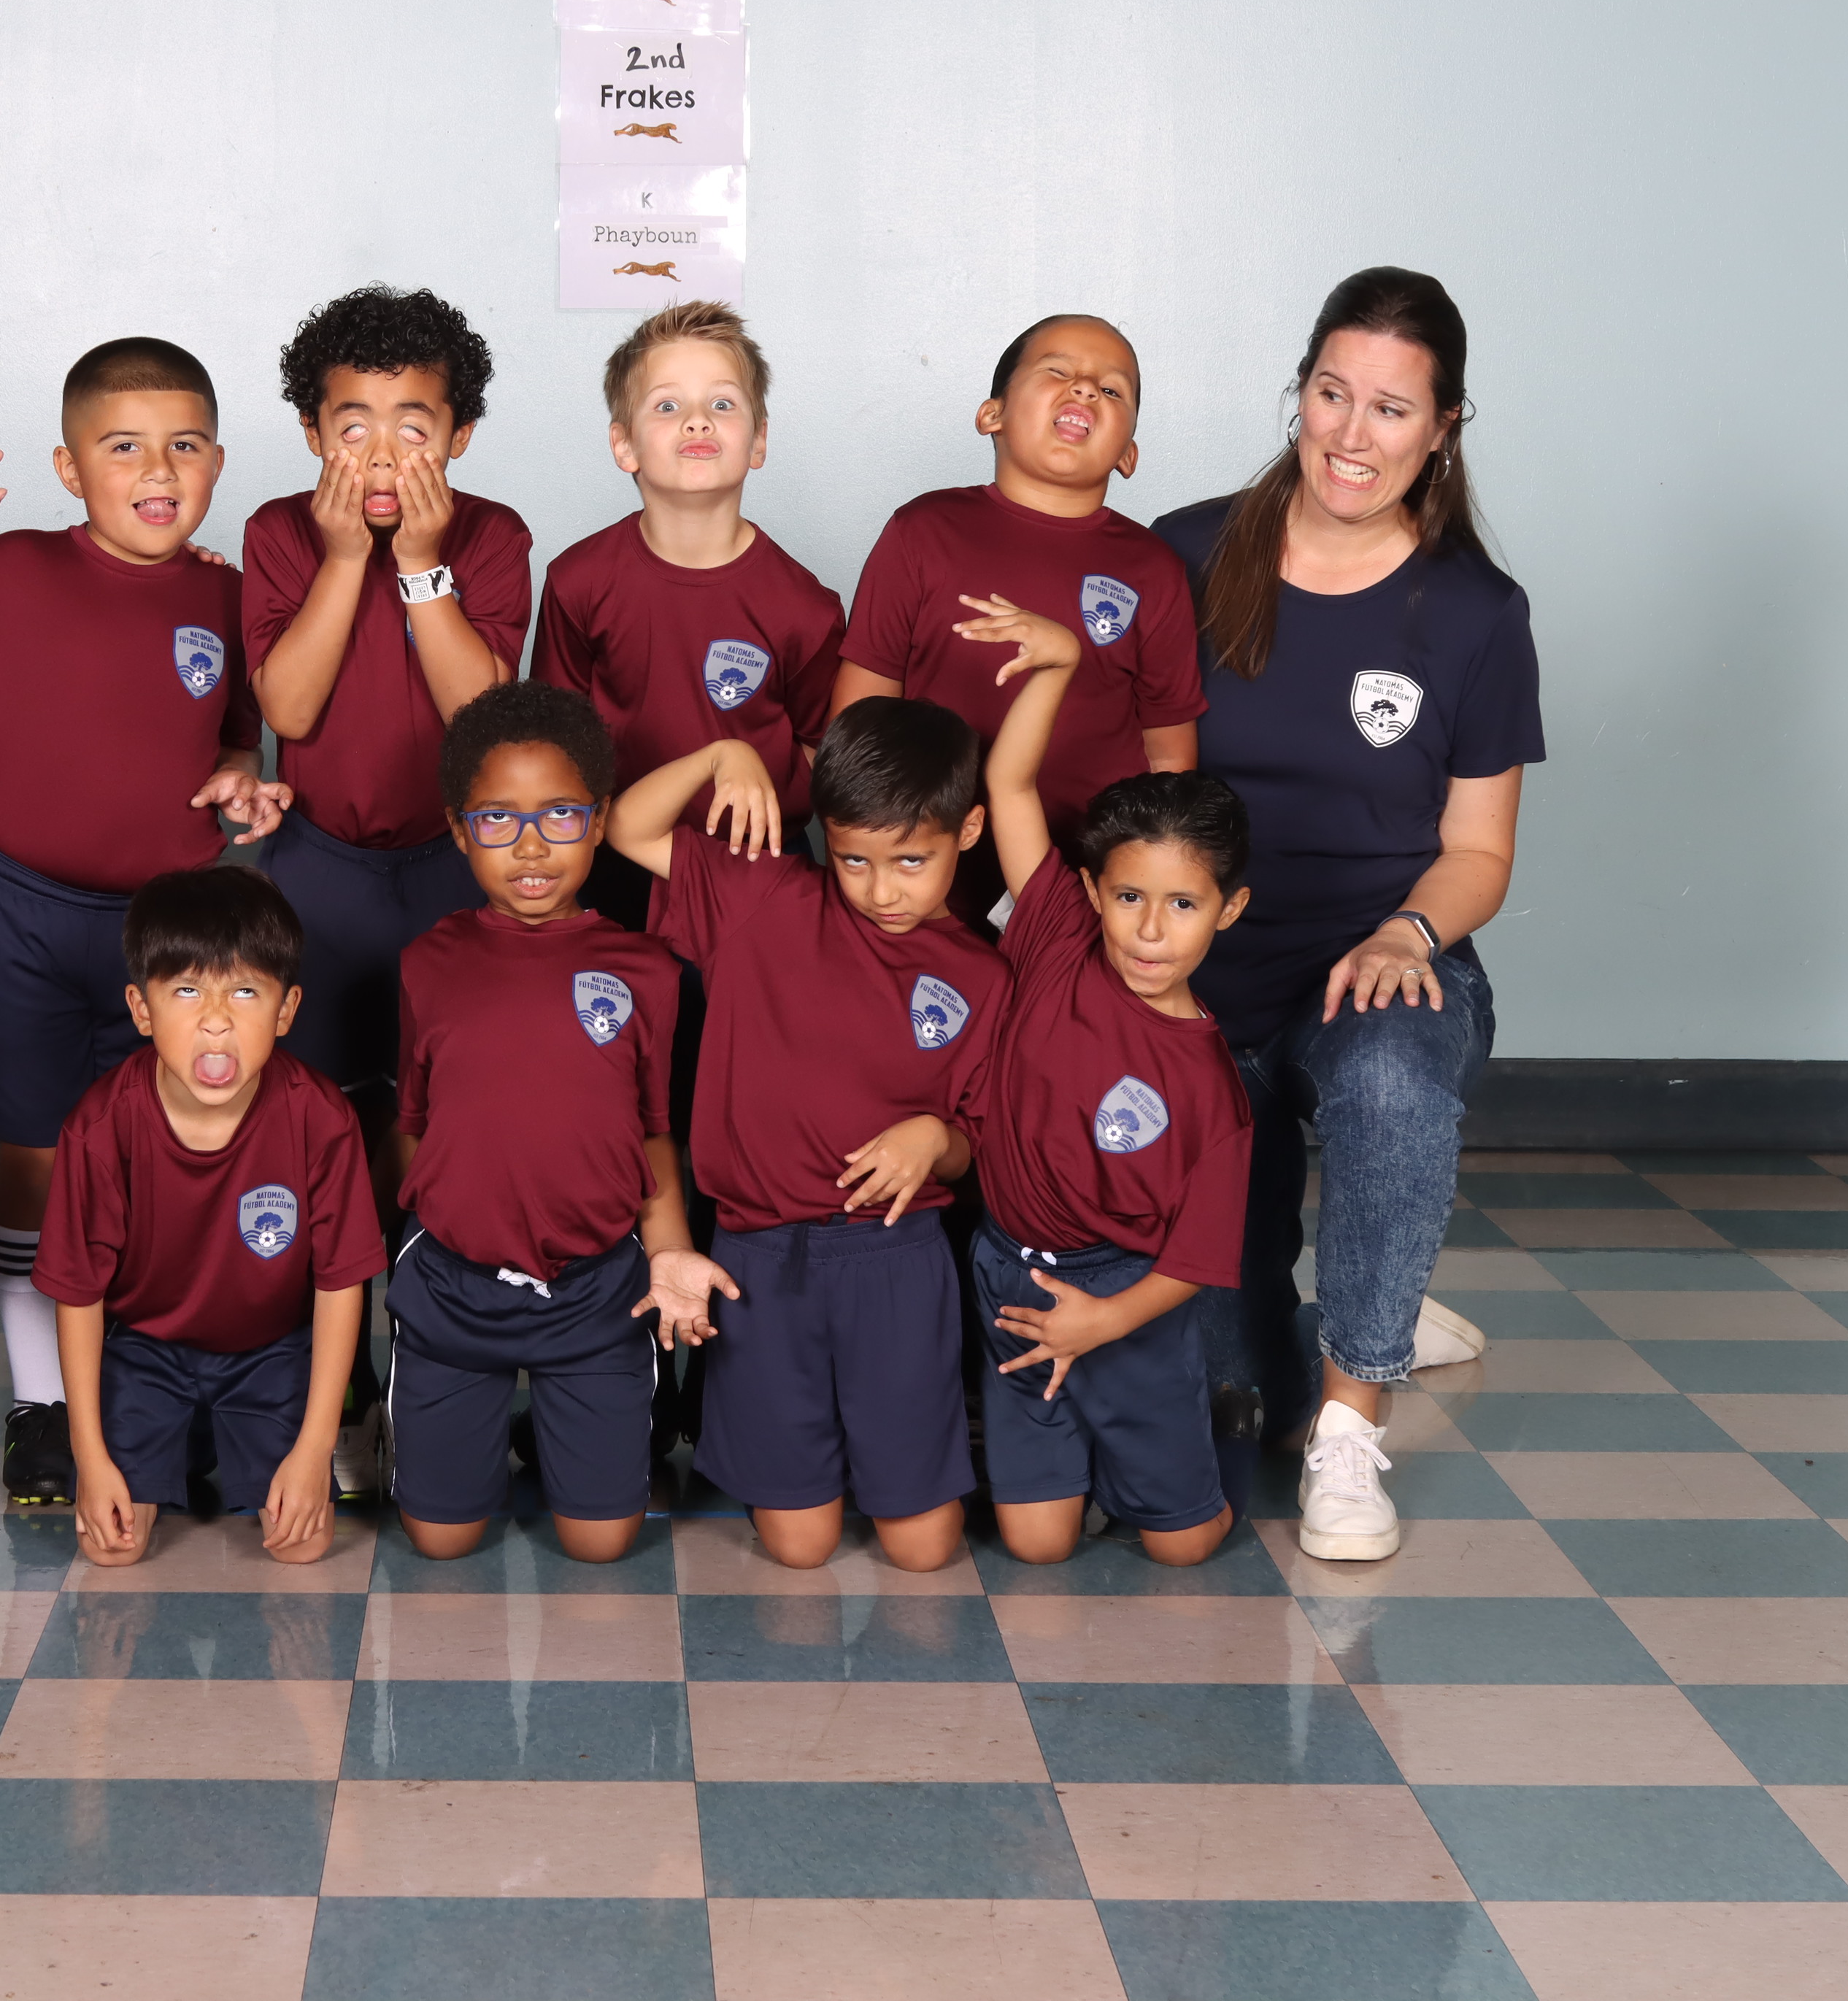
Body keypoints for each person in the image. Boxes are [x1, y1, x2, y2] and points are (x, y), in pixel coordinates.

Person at [0, 339, 292, 1508]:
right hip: (24, 918)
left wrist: (239, 774)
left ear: (218, 462)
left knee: (175, 1152)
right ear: (68, 467)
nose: (159, 470)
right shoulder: (12, 573)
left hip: (171, 931)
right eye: (124, 446)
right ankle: (44, 1404)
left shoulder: (226, 595)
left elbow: (235, 733)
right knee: (41, 1163)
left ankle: (170, 1386)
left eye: (185, 446)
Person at [1151, 266, 1544, 1563]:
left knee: (1386, 1082)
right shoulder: (1185, 556)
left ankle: (1353, 1421)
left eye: (1391, 408)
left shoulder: (1476, 613)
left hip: (1378, 965)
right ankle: (1371, 1303)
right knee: (1236, 1385)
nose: (1352, 434)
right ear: (1300, 395)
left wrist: (1406, 934)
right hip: (1197, 977)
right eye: (1332, 394)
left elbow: (1478, 852)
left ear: (1443, 428)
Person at [601, 695, 1008, 1574]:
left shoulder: (983, 972)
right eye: (854, 858)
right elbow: (628, 825)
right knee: (799, 1545)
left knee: (923, 1549)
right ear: (825, 835)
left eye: (910, 860)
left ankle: (894, 1454)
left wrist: (934, 1137)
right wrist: (720, 753)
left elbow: (976, 1137)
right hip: (759, 1257)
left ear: (969, 829)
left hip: (897, 1260)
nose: (881, 888)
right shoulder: (764, 896)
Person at [388, 682, 723, 1563]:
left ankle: (564, 1429)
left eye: (561, 815)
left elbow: (653, 1131)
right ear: (459, 829)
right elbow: (412, 1124)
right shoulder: (428, 962)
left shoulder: (647, 970)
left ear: (600, 819)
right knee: (441, 1539)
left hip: (594, 1288)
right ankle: (474, 1427)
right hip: (457, 1287)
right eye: (498, 819)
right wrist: (443, 1217)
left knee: (601, 1542)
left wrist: (670, 1249)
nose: (531, 845)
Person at [955, 594, 1253, 1568]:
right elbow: (1009, 781)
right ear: (1091, 892)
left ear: (1228, 909)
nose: (1151, 929)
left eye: (1183, 904)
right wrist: (1058, 667)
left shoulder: (1212, 1088)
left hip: (1123, 1300)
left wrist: (1103, 1321)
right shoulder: (1056, 934)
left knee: (1182, 1548)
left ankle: (1219, 1443)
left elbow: (1193, 1260)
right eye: (1129, 896)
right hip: (1009, 1273)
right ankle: (1077, 1467)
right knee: (1036, 1546)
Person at [33, 869, 382, 1568]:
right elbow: (79, 1294)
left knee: (303, 1545)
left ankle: (221, 1445)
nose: (216, 1020)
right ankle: (181, 1447)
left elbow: (342, 1283)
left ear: (286, 1011)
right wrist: (90, 1458)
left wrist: (314, 1451)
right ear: (141, 1008)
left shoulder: (321, 1119)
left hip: (269, 1351)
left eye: (245, 992)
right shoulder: (100, 1126)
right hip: (146, 1353)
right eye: (187, 991)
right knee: (112, 1549)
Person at [245, 285, 529, 1114]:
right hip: (316, 862)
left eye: (411, 430)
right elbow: (289, 713)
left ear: (458, 436)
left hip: (453, 862)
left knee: (442, 1092)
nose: (379, 458)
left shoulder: (494, 534)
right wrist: (342, 560)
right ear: (313, 432)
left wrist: (421, 561)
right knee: (311, 1091)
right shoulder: (277, 531)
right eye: (352, 428)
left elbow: (477, 719)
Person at [835, 314, 1206, 925]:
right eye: (1057, 372)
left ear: (1129, 454)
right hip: (925, 880)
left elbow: (1168, 755)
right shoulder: (923, 531)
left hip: (1080, 887)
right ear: (993, 415)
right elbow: (861, 713)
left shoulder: (1154, 568)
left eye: (1111, 389)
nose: (1084, 389)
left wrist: (1144, 879)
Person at [531, 300, 842, 925]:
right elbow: (556, 745)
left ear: (758, 441)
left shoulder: (805, 607)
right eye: (668, 406)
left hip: (757, 871)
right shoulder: (578, 581)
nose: (698, 421)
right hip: (617, 866)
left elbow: (822, 756)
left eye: (723, 404)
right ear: (625, 445)